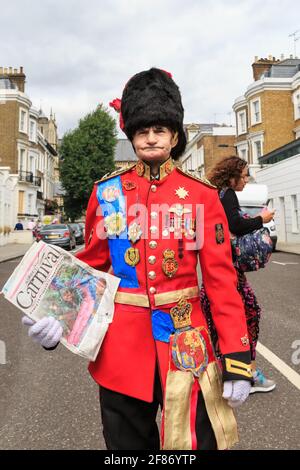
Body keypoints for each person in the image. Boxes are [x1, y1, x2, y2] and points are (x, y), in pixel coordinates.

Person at [22, 68, 253, 450]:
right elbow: (91, 267)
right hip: (121, 351)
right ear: (131, 135)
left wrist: (236, 357)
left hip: (186, 344)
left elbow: (220, 281)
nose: (150, 137)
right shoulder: (107, 192)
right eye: (143, 130)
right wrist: (56, 315)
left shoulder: (201, 195)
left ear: (175, 135)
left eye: (159, 129)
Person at [200, 156, 276, 394]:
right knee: (250, 312)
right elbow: (235, 225)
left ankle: (221, 369)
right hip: (227, 269)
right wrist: (260, 219)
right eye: (243, 175)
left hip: (217, 265)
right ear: (231, 177)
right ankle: (247, 372)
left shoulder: (216, 194)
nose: (246, 179)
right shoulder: (227, 194)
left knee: (212, 314)